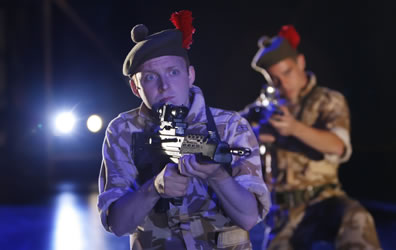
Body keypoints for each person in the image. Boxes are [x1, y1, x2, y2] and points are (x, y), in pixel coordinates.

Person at [97, 10, 270, 250]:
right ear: (136, 88)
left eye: (173, 72)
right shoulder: (123, 131)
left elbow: (249, 218)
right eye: (149, 78)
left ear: (190, 76)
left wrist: (217, 176)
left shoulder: (230, 126)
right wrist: (153, 188)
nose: (164, 86)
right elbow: (118, 224)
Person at [241, 25, 382, 250]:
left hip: (323, 202)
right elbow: (231, 131)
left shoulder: (327, 100)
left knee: (356, 217)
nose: (283, 84)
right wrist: (259, 134)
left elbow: (337, 146)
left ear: (301, 63)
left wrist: (294, 128)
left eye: (287, 72)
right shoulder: (264, 107)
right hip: (281, 213)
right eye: (274, 79)